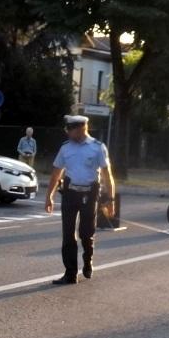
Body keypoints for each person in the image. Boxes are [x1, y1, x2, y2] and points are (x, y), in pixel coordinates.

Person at [43, 114, 116, 285]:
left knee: (86, 232)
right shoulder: (65, 148)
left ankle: (88, 260)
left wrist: (111, 200)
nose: (68, 133)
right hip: (69, 194)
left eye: (71, 130)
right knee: (68, 234)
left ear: (81, 129)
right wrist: (49, 197)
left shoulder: (98, 148)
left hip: (89, 195)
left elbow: (107, 175)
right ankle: (70, 273)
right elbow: (56, 174)